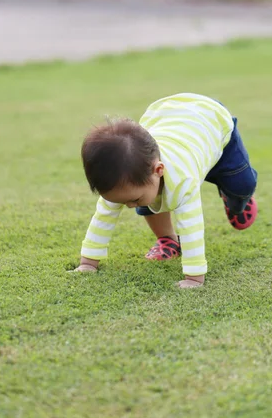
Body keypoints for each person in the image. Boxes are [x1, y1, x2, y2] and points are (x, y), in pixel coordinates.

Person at [77, 93, 258, 288]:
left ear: (159, 170)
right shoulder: (124, 179)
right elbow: (103, 218)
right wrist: (88, 263)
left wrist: (194, 277)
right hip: (170, 123)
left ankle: (235, 201)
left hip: (212, 125)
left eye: (133, 200)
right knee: (149, 200)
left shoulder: (182, 180)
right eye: (122, 201)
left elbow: (191, 226)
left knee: (241, 186)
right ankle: (167, 239)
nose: (129, 206)